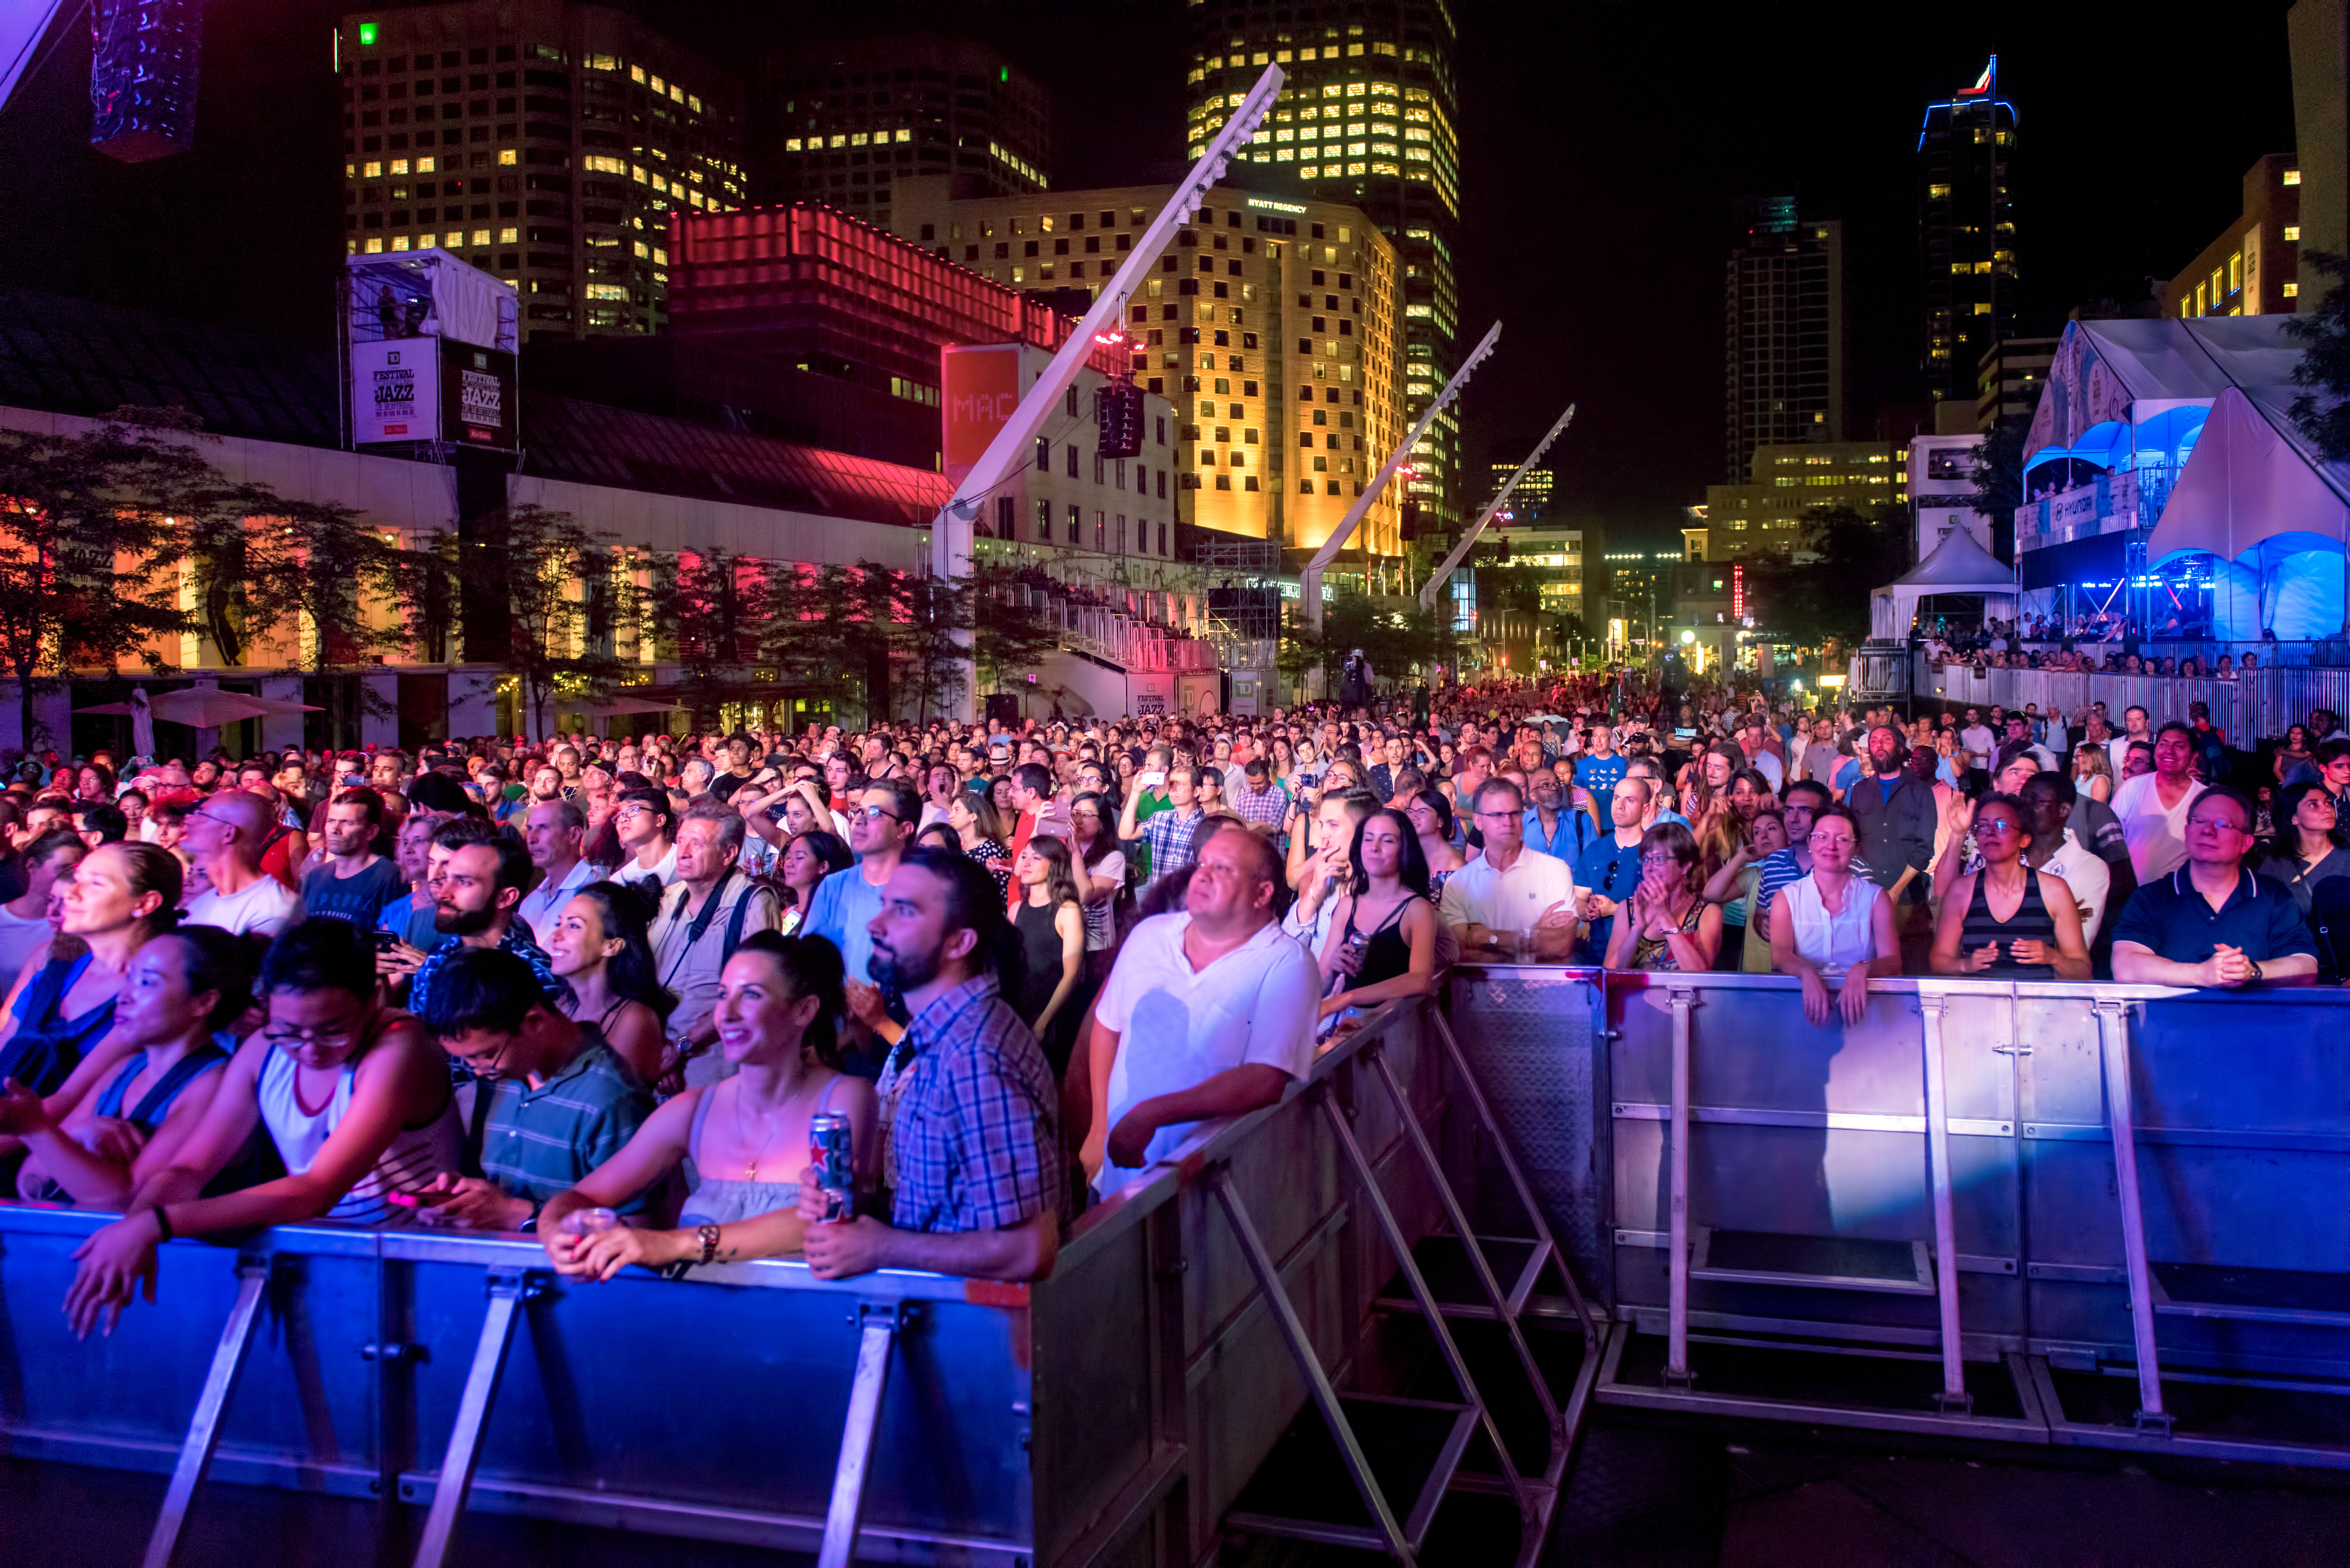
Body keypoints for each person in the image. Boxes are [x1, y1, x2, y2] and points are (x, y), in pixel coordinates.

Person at [58, 920, 464, 1337]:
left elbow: (317, 1190)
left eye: (333, 1031)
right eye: (289, 1031)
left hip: (420, 1268)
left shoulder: (401, 1049)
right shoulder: (263, 1050)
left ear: (374, 999)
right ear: (267, 1004)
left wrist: (155, 1225)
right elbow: (190, 1169)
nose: (309, 1048)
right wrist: (134, 1228)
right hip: (326, 1258)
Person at [795, 849, 1065, 1282]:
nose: (875, 925)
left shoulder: (975, 1058)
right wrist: (860, 1210)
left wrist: (880, 1246)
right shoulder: (942, 1037)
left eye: (903, 912)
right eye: (885, 906)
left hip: (973, 1334)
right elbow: (944, 1211)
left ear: (960, 942)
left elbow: (1028, 1250)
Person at [543, 933, 877, 1279]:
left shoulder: (845, 1097)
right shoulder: (693, 1109)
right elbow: (578, 1198)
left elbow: (823, 1218)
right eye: (722, 995)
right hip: (699, 1321)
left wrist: (670, 1244)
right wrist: (556, 1234)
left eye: (750, 995)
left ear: (803, 1010)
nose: (726, 1014)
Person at [1085, 827, 1317, 1198]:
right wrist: (1099, 1127)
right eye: (1202, 863)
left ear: (1263, 893)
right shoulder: (1151, 934)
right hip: (1116, 1167)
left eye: (1223, 868)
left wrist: (1151, 1114)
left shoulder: (1286, 963)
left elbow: (1265, 1079)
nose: (1202, 875)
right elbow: (1107, 1026)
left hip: (1212, 1183)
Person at [3, 927, 258, 1208]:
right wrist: (79, 1134)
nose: (125, 997)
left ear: (204, 1002)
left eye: (147, 983)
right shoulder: (122, 1071)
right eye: (130, 979)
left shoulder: (214, 1083)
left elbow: (126, 1202)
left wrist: (40, 1131)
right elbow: (31, 1184)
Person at [411, 946, 654, 1230]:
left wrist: (521, 1217)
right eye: (465, 1060)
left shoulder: (612, 1100)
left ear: (534, 1022)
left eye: (486, 1055)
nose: (477, 1071)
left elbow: (642, 1233)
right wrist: (468, 1200)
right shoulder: (506, 1079)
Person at [0, 842, 182, 1101]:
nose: (72, 894)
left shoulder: (157, 993)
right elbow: (6, 1045)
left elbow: (67, 1105)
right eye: (78, 879)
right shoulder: (56, 970)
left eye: (96, 884)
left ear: (146, 902)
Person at [2111, 787, 2319, 988]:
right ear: (2187, 831)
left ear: (2246, 843)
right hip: (2173, 1023)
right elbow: (2125, 966)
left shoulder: (2273, 896)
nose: (2208, 831)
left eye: (2223, 824)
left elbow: (2306, 965)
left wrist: (2252, 971)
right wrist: (2202, 974)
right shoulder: (2152, 898)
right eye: (2199, 821)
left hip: (2259, 1022)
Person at [649, 803, 783, 1088]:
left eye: (696, 844)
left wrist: (680, 1048)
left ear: (729, 854)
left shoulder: (753, 902)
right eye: (680, 841)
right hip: (657, 1057)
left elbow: (752, 995)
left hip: (714, 1068)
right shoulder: (667, 898)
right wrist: (660, 1050)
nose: (682, 853)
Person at [399, 824, 565, 1024]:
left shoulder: (537, 977)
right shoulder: (436, 963)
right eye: (447, 878)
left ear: (506, 897)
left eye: (464, 883)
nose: (444, 892)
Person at [1929, 794, 2092, 982]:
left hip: (2038, 1007)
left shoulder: (2054, 890)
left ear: (2024, 839)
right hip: (1977, 1005)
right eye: (1983, 826)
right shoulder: (1961, 891)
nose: (1990, 832)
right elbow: (1940, 961)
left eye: (2001, 826)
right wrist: (1965, 965)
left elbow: (2082, 970)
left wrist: (2053, 958)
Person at [1770, 804, 1900, 1027]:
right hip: (1802, 1013)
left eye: (1842, 839)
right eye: (1822, 837)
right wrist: (1806, 972)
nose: (1831, 846)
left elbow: (1893, 962)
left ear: (1856, 848)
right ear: (1811, 842)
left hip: (1865, 1016)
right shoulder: (1786, 898)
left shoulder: (1876, 898)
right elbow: (1780, 955)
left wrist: (1864, 968)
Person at [1315, 807, 1437, 1032]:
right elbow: (1320, 988)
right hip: (1347, 1026)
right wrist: (1333, 968)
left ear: (1405, 849)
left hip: (1395, 1029)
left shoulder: (1417, 910)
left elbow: (1420, 980)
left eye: (1388, 840)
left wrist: (1348, 998)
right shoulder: (1347, 906)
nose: (1375, 848)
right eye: (1368, 839)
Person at [545, 881, 673, 1084]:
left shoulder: (635, 1019)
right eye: (558, 924)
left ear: (612, 946)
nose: (555, 936)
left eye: (574, 926)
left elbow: (610, 1100)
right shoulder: (561, 1006)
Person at [1439, 780, 1580, 960]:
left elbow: (1560, 945)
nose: (1508, 822)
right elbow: (1458, 955)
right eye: (1498, 814)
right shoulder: (1459, 883)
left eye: (1515, 813)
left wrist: (1485, 937)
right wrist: (1534, 933)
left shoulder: (1555, 871)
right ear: (1478, 821)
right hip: (1479, 987)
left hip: (1545, 987)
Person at [804, 778, 920, 994]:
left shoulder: (924, 892)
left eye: (874, 813)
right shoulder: (833, 886)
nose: (859, 821)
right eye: (859, 811)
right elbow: (811, 959)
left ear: (904, 829)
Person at [1010, 834, 1088, 1076]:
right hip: (1020, 1011)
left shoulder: (1067, 911)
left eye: (1035, 857)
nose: (1027, 862)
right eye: (1024, 856)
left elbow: (1072, 974)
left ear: (1054, 864)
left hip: (1054, 1015)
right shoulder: (1015, 909)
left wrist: (1043, 1023)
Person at [1603, 822, 1725, 972]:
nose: (1649, 867)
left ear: (1686, 865)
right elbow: (1610, 971)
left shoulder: (1707, 913)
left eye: (1659, 859)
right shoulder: (1629, 909)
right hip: (1632, 995)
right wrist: (1637, 929)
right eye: (1646, 860)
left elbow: (1700, 976)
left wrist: (1665, 917)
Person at [180, 789, 302, 937]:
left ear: (228, 833)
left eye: (202, 816)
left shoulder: (274, 912)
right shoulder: (200, 903)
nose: (189, 820)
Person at [2111, 722, 2209, 883]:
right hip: (2130, 892)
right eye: (2164, 744)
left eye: (2179, 746)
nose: (2169, 751)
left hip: (2178, 896)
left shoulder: (2204, 799)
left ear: (2194, 756)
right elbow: (2112, 839)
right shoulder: (2133, 788)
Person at [298, 789, 406, 929]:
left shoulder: (389, 876)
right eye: (331, 821)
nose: (335, 829)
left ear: (371, 832)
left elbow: (391, 938)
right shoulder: (316, 876)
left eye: (347, 823)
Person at [1575, 775, 1651, 961]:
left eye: (1630, 800)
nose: (1620, 805)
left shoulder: (1655, 852)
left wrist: (1616, 909)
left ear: (1646, 809)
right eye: (1617, 798)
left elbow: (1662, 910)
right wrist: (1587, 910)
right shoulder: (1595, 849)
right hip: (1597, 956)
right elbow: (1578, 898)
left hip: (1641, 959)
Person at [2251, 780, 2350, 921]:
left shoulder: (2347, 855)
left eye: (2327, 802)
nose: (2327, 808)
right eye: (2313, 804)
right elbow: (2259, 914)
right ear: (2294, 817)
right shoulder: (2277, 866)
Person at [0, 830, 84, 994]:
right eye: (64, 869)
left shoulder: (78, 924)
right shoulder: (3, 921)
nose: (73, 879)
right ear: (31, 865)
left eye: (79, 872)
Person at [516, 799, 602, 948]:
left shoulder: (598, 895)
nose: (532, 839)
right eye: (530, 829)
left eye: (543, 828)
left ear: (574, 835)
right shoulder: (531, 901)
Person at [776, 828, 852, 937]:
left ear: (823, 866)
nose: (789, 864)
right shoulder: (788, 914)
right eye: (788, 857)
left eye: (799, 857)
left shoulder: (834, 919)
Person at [947, 788, 1013, 901]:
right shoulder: (954, 848)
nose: (950, 816)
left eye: (957, 810)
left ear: (973, 816)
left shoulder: (992, 850)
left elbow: (1001, 895)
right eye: (952, 810)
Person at [609, 787, 678, 893]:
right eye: (620, 815)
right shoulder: (620, 881)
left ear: (660, 820)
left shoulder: (687, 860)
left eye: (634, 810)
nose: (624, 819)